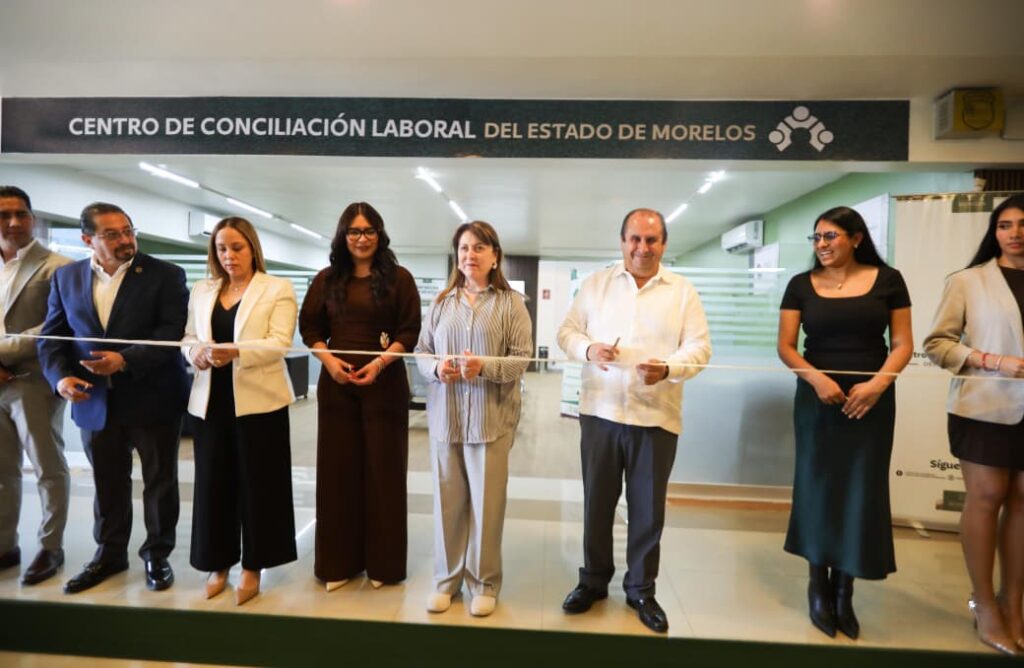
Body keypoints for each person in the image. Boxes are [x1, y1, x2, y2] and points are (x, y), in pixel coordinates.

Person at [557, 208, 711, 633]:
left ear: (664, 243)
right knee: (597, 503)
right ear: (623, 241)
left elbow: (699, 348)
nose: (643, 248)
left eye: (651, 240)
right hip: (601, 414)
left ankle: (641, 589)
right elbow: (567, 332)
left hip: (656, 416)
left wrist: (669, 368)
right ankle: (593, 581)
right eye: (635, 239)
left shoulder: (682, 292)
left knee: (647, 510)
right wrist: (589, 350)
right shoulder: (596, 284)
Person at [38, 202, 189, 594]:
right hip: (93, 400)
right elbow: (52, 337)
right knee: (107, 482)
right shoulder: (66, 277)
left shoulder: (166, 274)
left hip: (153, 396)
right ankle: (109, 553)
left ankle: (157, 554)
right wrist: (60, 378)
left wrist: (125, 360)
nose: (125, 239)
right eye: (112, 234)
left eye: (128, 230)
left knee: (159, 481)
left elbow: (171, 332)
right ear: (88, 239)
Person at [777, 206, 913, 640]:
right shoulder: (801, 285)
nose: (822, 245)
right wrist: (816, 379)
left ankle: (845, 587)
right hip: (817, 398)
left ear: (856, 238)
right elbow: (786, 346)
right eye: (816, 237)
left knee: (860, 489)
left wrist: (877, 386)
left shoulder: (888, 280)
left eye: (830, 236)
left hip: (871, 400)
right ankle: (818, 583)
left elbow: (902, 343)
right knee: (818, 486)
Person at [299, 201, 420, 590]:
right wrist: (330, 362)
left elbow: (409, 332)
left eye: (369, 231)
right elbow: (310, 328)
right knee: (338, 474)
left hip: (385, 387)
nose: (362, 238)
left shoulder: (400, 279)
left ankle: (384, 564)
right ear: (343, 236)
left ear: (380, 235)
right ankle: (338, 563)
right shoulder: (326, 279)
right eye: (354, 231)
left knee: (384, 473)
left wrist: (380, 364)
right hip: (337, 387)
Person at [414, 221, 532, 617]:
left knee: (487, 505)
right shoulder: (441, 302)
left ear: (495, 255)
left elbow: (522, 358)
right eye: (464, 248)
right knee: (447, 504)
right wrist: (437, 369)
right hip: (446, 419)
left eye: (479, 247)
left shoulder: (511, 303)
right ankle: (446, 581)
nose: (470, 255)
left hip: (490, 421)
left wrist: (484, 366)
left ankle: (484, 583)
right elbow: (421, 350)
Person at [924, 194, 1024, 656]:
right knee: (987, 497)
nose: (1015, 233)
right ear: (995, 232)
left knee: (1022, 503)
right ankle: (984, 606)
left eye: (1022, 224)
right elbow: (937, 344)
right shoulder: (968, 281)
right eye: (1005, 225)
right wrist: (992, 360)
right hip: (984, 405)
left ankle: (1013, 605)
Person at [182, 217, 298, 606]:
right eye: (221, 249)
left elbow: (279, 342)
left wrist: (235, 352)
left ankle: (254, 565)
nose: (229, 256)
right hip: (210, 402)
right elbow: (188, 337)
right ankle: (218, 563)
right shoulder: (202, 290)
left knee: (260, 486)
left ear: (252, 249)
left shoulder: (276, 288)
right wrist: (195, 352)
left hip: (259, 404)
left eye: (237, 247)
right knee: (213, 485)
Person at [0, 186, 72, 585]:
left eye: (21, 214)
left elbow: (55, 326)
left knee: (47, 466)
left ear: (33, 218)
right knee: (2, 470)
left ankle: (50, 546)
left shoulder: (58, 267)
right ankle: (5, 545)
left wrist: (2, 353)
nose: (13, 222)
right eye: (4, 215)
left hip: (33, 380)